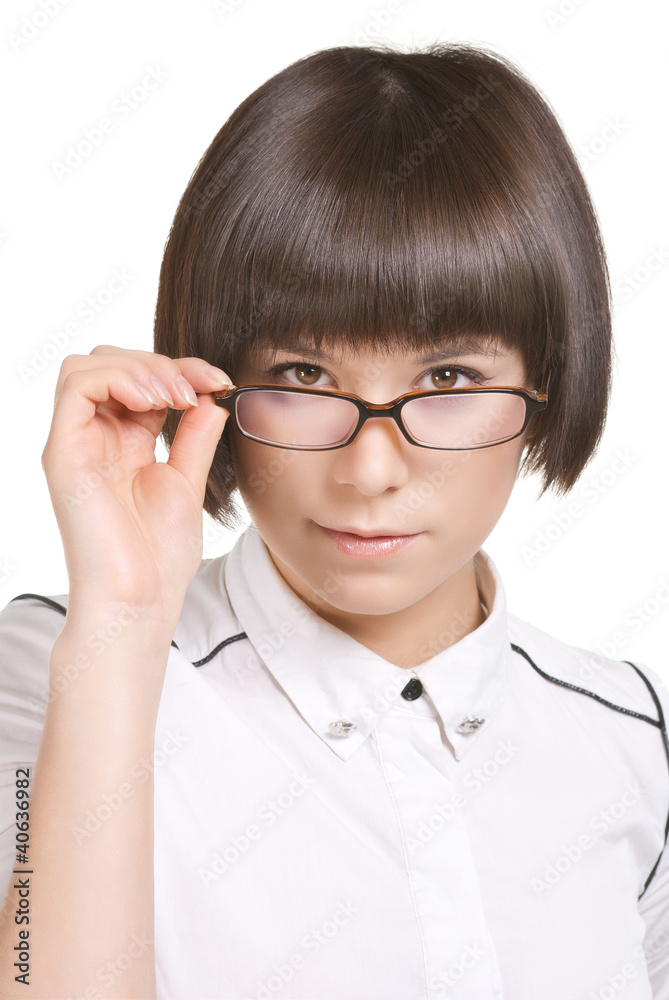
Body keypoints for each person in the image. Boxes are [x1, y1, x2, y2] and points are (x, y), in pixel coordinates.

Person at [0, 39, 667, 1000]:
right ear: (211, 383)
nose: (370, 470)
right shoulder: (57, 667)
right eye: (303, 375)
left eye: (449, 378)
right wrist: (122, 623)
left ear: (547, 383)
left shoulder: (628, 734)